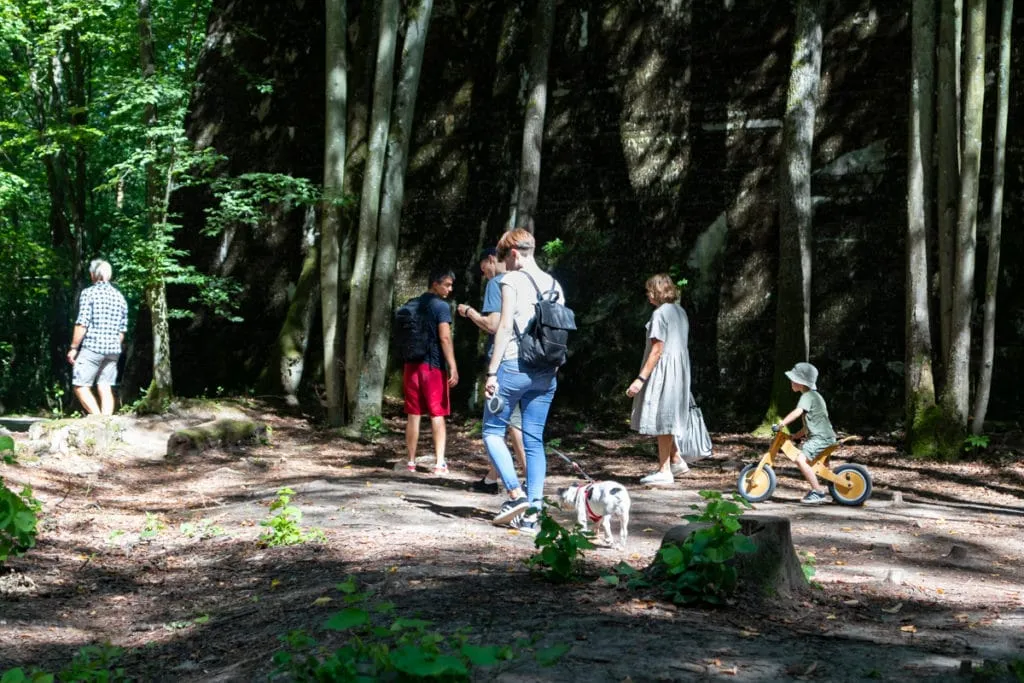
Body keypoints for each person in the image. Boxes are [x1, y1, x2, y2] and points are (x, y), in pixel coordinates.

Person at [483, 228, 565, 531]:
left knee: (492, 432)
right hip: (546, 372)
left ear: (514, 253)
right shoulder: (555, 283)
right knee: (533, 440)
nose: (503, 265)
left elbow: (503, 327)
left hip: (513, 367)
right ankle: (535, 513)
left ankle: (515, 495)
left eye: (503, 258)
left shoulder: (511, 280)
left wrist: (491, 372)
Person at [456, 247, 526, 493]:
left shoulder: (498, 282)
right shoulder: (526, 280)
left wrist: (470, 312)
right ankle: (491, 478)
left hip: (505, 363)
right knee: (514, 420)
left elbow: (495, 325)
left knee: (503, 425)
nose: (483, 274)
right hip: (530, 362)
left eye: (483, 268)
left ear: (490, 260)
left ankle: (526, 485)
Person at [625, 274, 693, 485]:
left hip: (664, 370)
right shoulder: (680, 312)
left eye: (649, 290)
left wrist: (640, 379)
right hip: (680, 370)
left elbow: (657, 349)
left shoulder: (660, 314)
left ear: (656, 291)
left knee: (663, 418)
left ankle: (664, 471)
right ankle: (676, 460)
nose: (647, 295)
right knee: (668, 415)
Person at [404, 269, 459, 474]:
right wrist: (452, 365)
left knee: (413, 414)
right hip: (432, 367)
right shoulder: (441, 307)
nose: (449, 289)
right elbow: (445, 338)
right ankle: (439, 462)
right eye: (446, 284)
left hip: (411, 366)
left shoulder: (412, 304)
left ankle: (410, 461)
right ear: (434, 284)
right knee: (437, 414)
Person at [66, 259, 129, 416]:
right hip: (113, 350)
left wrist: (74, 348)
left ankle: (97, 420)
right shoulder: (120, 297)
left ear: (93, 274)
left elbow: (82, 323)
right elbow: (122, 330)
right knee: (105, 385)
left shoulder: (89, 293)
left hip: (93, 347)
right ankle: (106, 424)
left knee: (80, 385)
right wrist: (113, 346)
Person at [772, 362, 837, 505]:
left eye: (793, 379)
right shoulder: (815, 396)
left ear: (800, 382)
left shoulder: (807, 396)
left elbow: (797, 412)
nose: (791, 382)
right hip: (827, 436)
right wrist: (796, 436)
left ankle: (818, 492)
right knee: (822, 468)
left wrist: (782, 424)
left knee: (800, 460)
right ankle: (837, 491)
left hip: (820, 438)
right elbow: (813, 423)